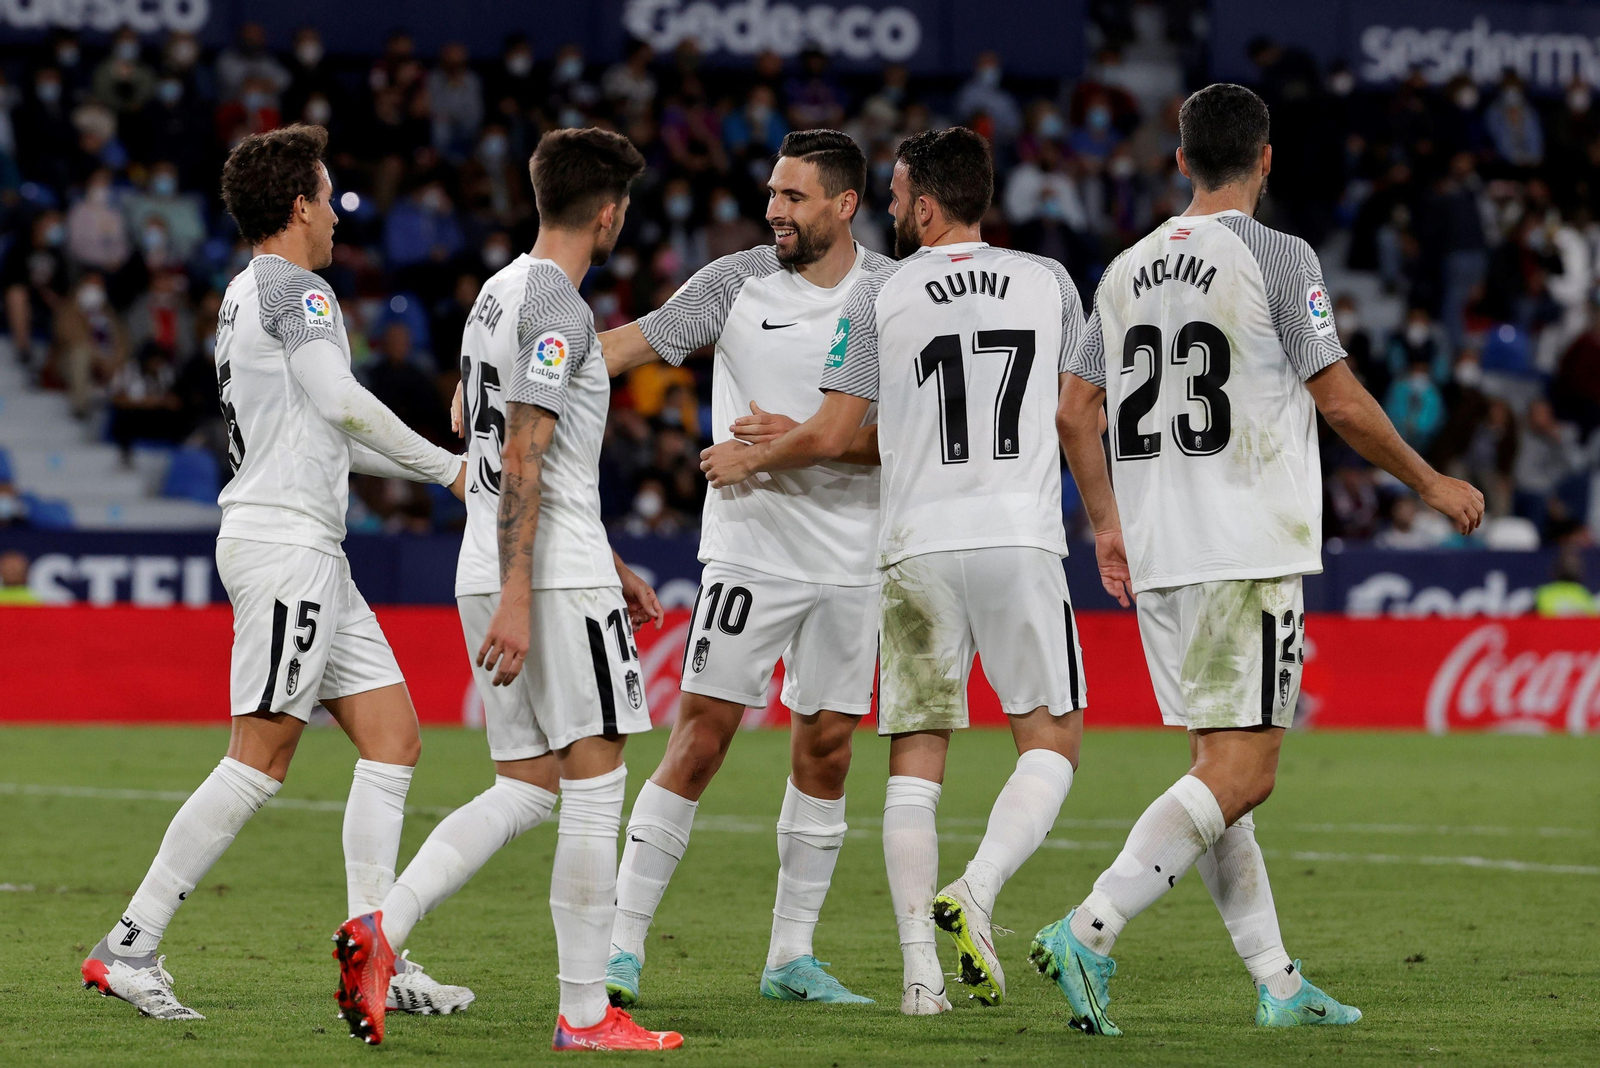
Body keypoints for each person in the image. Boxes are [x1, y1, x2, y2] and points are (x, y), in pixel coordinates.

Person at [1047, 83, 1483, 1035]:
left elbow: (1075, 411)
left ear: (1181, 162)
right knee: (1244, 774)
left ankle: (1278, 981)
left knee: (1217, 771)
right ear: (1267, 159)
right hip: (1242, 545)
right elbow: (1336, 396)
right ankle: (1090, 928)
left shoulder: (1122, 269)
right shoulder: (1277, 254)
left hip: (1162, 550)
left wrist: (1107, 525)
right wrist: (1428, 482)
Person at [79, 124, 469, 1024]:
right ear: (299, 207)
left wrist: (433, 468)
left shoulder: (242, 294)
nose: (337, 215)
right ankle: (129, 945)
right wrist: (449, 469)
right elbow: (340, 404)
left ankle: (377, 954)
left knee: (394, 740)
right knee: (260, 759)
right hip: (286, 545)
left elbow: (325, 429)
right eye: (330, 199)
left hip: (304, 545)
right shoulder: (302, 289)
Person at [699, 127, 1090, 1016]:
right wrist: (1105, 519)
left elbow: (838, 434)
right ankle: (978, 889)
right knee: (1053, 742)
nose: (889, 210)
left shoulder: (883, 294)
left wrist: (763, 451)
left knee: (917, 760)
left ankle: (920, 977)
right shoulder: (1050, 282)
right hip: (1019, 538)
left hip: (913, 548)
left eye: (898, 194)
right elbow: (1075, 414)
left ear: (923, 203)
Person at [340, 128, 682, 1053]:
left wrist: (607, 566)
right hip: (542, 577)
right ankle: (584, 1015)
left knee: (528, 784)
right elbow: (525, 448)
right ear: (607, 211)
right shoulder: (560, 306)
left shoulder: (492, 295)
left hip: (492, 566)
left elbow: (475, 427)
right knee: (597, 781)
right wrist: (534, 592)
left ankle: (382, 929)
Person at [596, 130, 893, 1008]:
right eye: (772, 193)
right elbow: (630, 344)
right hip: (750, 552)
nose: (775, 211)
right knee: (699, 741)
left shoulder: (889, 295)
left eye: (795, 198)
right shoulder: (734, 282)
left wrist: (793, 450)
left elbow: (907, 441)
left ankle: (789, 958)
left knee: (828, 751)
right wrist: (514, 367)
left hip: (853, 559)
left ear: (844, 205)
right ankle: (618, 949)